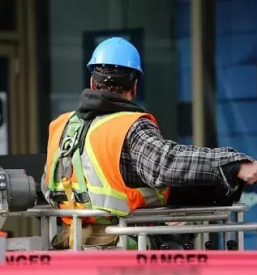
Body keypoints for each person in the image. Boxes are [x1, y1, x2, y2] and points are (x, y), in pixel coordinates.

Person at [41, 37, 257, 250]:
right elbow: (166, 163)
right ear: (134, 86)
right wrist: (234, 165)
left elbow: (49, 186)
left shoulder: (62, 126)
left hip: (71, 249)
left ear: (91, 82)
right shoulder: (128, 126)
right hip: (123, 249)